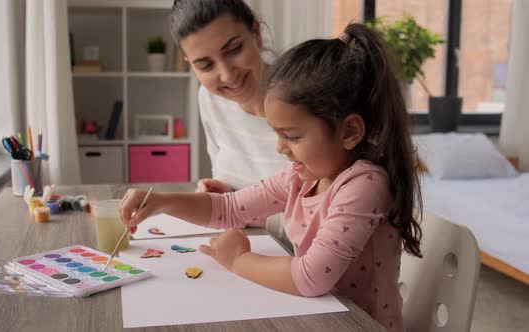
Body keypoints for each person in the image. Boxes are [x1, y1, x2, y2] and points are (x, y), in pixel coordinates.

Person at [121, 23, 423, 331]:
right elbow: (229, 209)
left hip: (358, 324)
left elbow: (310, 276)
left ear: (349, 131)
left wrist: (238, 260)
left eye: (291, 136)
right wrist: (161, 202)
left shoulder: (364, 184)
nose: (281, 148)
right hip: (319, 315)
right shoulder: (302, 176)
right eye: (277, 134)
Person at [170, 0, 289, 231]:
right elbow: (238, 189)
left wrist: (245, 214)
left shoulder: (305, 97)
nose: (226, 75)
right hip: (240, 245)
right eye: (205, 66)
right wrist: (225, 194)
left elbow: (336, 215)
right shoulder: (209, 98)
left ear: (256, 34)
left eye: (234, 50)